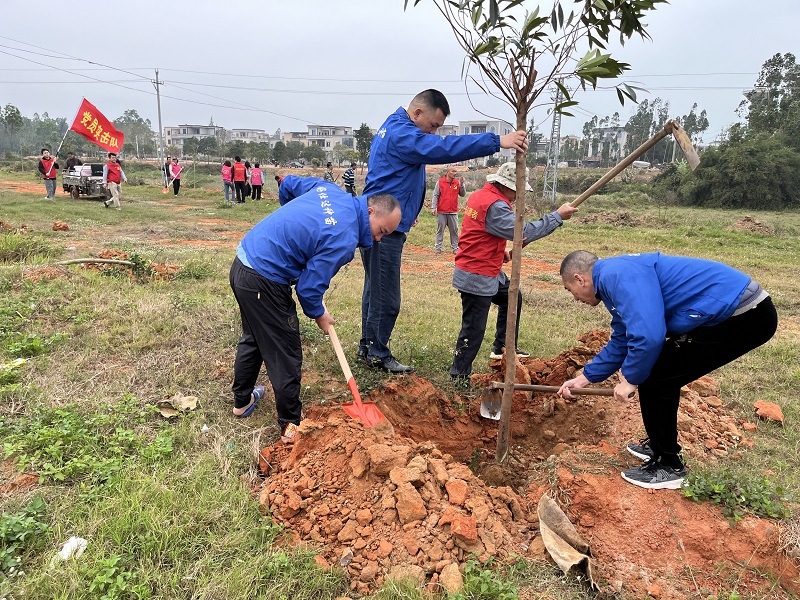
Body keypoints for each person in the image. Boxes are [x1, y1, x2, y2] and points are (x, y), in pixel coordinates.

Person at [557, 250, 778, 490]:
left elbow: (649, 336)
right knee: (656, 373)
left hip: (744, 315)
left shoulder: (616, 276)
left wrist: (630, 379)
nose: (575, 299)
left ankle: (669, 466)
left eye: (570, 291)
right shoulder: (613, 277)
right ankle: (660, 446)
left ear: (580, 279)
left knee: (657, 378)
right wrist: (585, 378)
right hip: (730, 313)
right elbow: (624, 336)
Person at [359, 89, 529, 374]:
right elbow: (444, 148)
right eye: (433, 125)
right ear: (417, 113)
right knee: (387, 297)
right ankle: (377, 352)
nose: (434, 132)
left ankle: (369, 347)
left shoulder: (394, 126)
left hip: (381, 220)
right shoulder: (404, 135)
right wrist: (497, 141)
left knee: (374, 289)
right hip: (383, 227)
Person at [229, 183, 401, 444]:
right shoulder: (343, 238)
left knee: (254, 338)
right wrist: (319, 314)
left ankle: (242, 403)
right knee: (286, 354)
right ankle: (290, 429)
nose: (378, 239)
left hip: (244, 262)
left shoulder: (330, 190)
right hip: (265, 280)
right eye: (382, 231)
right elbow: (308, 289)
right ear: (370, 211)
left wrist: (290, 227)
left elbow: (287, 184)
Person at [449, 162, 577, 381]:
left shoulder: (480, 195)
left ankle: (503, 347)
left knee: (512, 296)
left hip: (486, 267)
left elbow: (484, 232)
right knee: (473, 329)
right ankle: (458, 375)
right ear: (506, 185)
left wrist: (501, 251)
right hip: (477, 274)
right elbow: (521, 231)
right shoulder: (495, 205)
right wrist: (556, 216)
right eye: (518, 189)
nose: (518, 195)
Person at [431, 167, 465, 254]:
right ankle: (438, 248)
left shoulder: (456, 183)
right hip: (442, 211)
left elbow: (462, 194)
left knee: (454, 230)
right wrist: (433, 207)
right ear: (447, 172)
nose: (455, 173)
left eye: (456, 171)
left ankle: (455, 248)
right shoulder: (440, 182)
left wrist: (462, 184)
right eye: (453, 171)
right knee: (440, 230)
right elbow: (436, 195)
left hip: (453, 211)